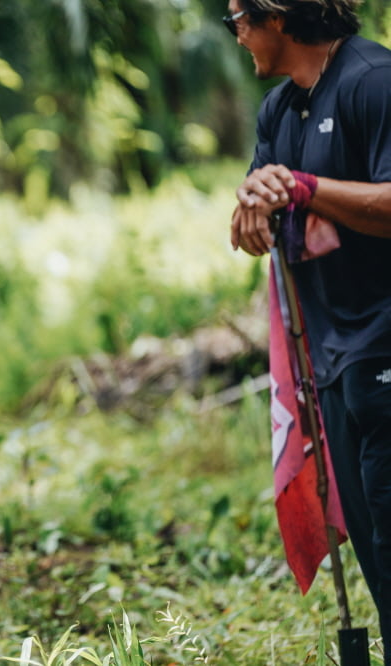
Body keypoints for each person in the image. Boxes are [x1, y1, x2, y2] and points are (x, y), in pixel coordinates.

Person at [226, 0, 391, 659]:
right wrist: (250, 212)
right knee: (375, 545)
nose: (235, 34)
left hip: (383, 342)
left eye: (237, 16)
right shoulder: (277, 111)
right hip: (328, 360)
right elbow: (261, 213)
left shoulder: (371, 81)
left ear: (279, 14)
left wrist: (301, 186)